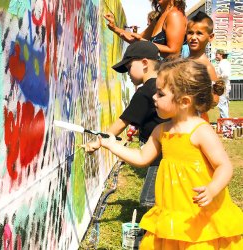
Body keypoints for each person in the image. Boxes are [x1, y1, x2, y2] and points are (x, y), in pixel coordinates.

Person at [96, 59, 243, 249]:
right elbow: (141, 158)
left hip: (198, 214)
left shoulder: (201, 131)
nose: (154, 98)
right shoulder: (161, 130)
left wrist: (213, 189)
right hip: (171, 212)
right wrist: (110, 144)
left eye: (160, 93)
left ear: (184, 101)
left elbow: (224, 166)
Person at [83, 41, 167, 209]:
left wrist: (97, 142)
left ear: (144, 63)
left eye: (129, 67)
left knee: (149, 201)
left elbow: (121, 123)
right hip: (162, 151)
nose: (127, 73)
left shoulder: (145, 91)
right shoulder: (161, 85)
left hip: (161, 155)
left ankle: (157, 231)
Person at [104, 0, 187, 59]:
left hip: (170, 77)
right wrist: (114, 28)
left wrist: (145, 43)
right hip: (158, 75)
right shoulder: (159, 18)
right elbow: (137, 38)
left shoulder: (175, 15)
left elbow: (174, 51)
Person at [186, 11, 224, 121]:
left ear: (210, 37)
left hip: (197, 121)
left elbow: (215, 100)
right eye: (190, 32)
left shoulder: (206, 67)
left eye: (199, 33)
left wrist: (194, 100)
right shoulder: (184, 62)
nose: (193, 37)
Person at [216, 49, 232, 118]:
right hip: (223, 87)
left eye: (216, 54)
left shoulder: (223, 63)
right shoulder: (223, 62)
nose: (215, 56)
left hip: (223, 87)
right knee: (223, 105)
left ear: (221, 55)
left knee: (222, 105)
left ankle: (226, 124)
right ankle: (224, 123)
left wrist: (217, 77)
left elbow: (226, 74)